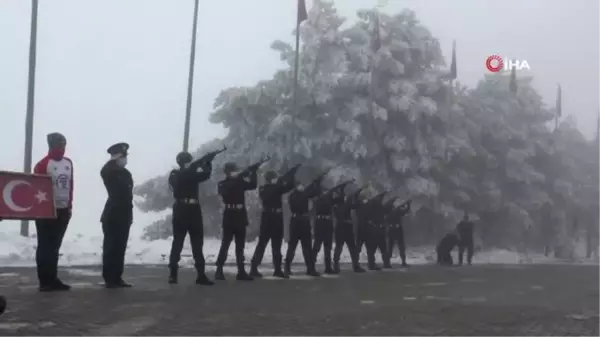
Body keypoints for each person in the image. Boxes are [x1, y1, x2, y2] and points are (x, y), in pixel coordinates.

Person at [33, 132, 73, 292]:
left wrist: (69, 206)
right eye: (58, 144)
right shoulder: (42, 164)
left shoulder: (68, 163)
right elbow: (35, 188)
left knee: (55, 246)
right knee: (45, 246)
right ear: (51, 145)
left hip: (63, 210)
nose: (61, 147)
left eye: (64, 144)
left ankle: (53, 278)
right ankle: (45, 281)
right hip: (46, 211)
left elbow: (71, 185)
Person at [167, 152, 214, 285]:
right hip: (181, 208)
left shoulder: (192, 173)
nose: (188, 163)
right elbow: (181, 179)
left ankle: (201, 274)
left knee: (197, 243)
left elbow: (205, 175)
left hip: (194, 209)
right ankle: (173, 274)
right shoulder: (175, 174)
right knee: (178, 242)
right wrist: (195, 166)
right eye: (187, 162)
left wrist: (208, 163)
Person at [215, 160, 264, 281]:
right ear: (227, 172)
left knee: (240, 246)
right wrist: (240, 177)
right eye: (234, 171)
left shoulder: (240, 182)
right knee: (225, 244)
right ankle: (219, 270)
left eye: (236, 171)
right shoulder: (222, 184)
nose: (236, 173)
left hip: (240, 215)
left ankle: (241, 271)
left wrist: (253, 172)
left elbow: (252, 185)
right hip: (229, 215)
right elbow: (226, 192)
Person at [250, 166, 299, 279]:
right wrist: (280, 182)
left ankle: (277, 269)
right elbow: (268, 195)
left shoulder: (278, 187)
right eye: (274, 178)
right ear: (270, 179)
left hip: (277, 218)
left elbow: (289, 186)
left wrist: (292, 175)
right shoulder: (263, 188)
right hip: (267, 218)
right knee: (262, 244)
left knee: (277, 245)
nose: (276, 179)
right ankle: (254, 267)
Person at [100, 142, 134, 288]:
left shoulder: (125, 173)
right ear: (116, 157)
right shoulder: (109, 170)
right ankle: (109, 278)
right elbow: (107, 172)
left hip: (125, 213)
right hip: (113, 214)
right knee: (111, 247)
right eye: (123, 156)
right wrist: (113, 161)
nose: (125, 159)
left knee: (120, 247)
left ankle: (117, 277)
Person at [284, 174, 322, 277]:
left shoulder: (304, 194)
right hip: (296, 222)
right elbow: (298, 202)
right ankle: (287, 268)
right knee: (292, 247)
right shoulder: (293, 196)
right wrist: (308, 190)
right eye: (300, 185)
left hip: (305, 222)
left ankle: (310, 269)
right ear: (296, 187)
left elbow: (316, 192)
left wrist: (318, 182)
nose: (302, 187)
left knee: (307, 247)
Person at [311, 181, 352, 274]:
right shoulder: (318, 199)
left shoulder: (329, 199)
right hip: (320, 223)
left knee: (328, 247)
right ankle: (311, 267)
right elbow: (323, 204)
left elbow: (341, 199)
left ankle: (328, 268)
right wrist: (330, 193)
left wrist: (341, 188)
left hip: (328, 224)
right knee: (317, 246)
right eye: (324, 191)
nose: (326, 192)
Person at [332, 185, 366, 274]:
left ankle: (356, 266)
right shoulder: (336, 205)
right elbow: (342, 211)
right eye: (342, 195)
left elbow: (356, 205)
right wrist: (352, 197)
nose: (343, 196)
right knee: (339, 248)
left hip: (348, 227)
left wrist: (356, 196)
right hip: (341, 227)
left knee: (353, 248)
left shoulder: (346, 204)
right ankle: (336, 266)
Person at [384, 199, 411, 268]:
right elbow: (386, 219)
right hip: (392, 230)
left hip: (398, 229)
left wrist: (408, 204)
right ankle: (387, 263)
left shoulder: (397, 211)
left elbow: (406, 211)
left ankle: (403, 262)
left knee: (401, 247)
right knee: (390, 248)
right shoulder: (388, 212)